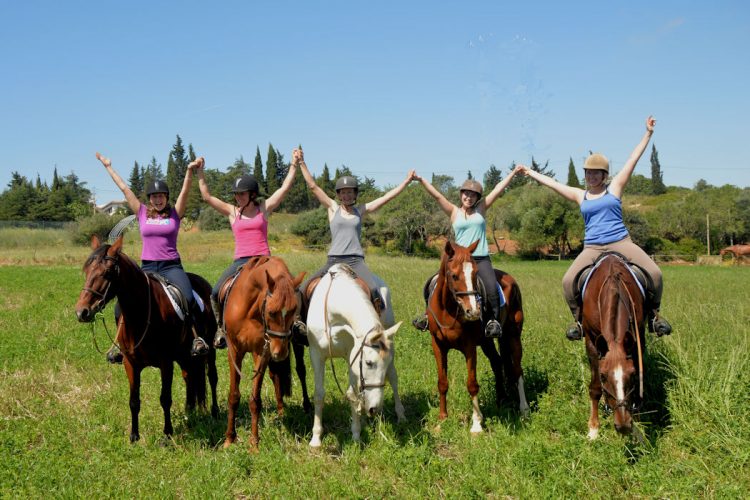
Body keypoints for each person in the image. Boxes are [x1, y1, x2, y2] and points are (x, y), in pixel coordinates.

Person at [519, 116, 672, 340]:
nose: (590, 177)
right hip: (592, 247)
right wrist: (530, 173)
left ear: (604, 175)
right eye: (588, 173)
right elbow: (553, 184)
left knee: (656, 274)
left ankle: (654, 316)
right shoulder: (581, 195)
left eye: (595, 173)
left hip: (620, 242)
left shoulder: (615, 188)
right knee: (568, 281)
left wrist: (648, 133)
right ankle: (579, 322)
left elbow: (632, 159)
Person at [96, 152, 208, 359]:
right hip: (147, 267)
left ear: (166, 198)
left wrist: (188, 171)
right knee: (121, 305)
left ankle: (196, 337)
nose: (158, 199)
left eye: (161, 196)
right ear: (150, 199)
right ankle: (120, 343)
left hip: (171, 266)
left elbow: (185, 191)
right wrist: (108, 166)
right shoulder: (141, 212)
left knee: (189, 298)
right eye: (154, 197)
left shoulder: (175, 213)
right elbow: (124, 188)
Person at [294, 148, 416, 332]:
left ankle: (377, 329)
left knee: (375, 290)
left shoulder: (361, 210)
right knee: (303, 289)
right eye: (343, 193)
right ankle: (301, 327)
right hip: (333, 259)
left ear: (355, 194)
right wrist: (301, 162)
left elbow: (385, 198)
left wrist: (406, 182)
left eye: (350, 192)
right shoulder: (332, 208)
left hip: (355, 261)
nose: (346, 196)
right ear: (338, 194)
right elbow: (313, 186)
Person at [194, 151, 298, 348]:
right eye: (236, 194)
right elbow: (206, 196)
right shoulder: (232, 212)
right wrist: (200, 172)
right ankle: (220, 329)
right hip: (241, 261)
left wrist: (293, 165)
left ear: (252, 195)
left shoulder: (263, 209)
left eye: (241, 194)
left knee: (291, 287)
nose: (238, 197)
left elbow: (284, 188)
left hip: (265, 260)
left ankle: (297, 322)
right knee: (216, 292)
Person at [413, 167, 522, 338]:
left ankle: (492, 321)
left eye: (473, 195)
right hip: (457, 260)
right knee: (433, 284)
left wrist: (513, 174)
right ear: (461, 194)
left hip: (479, 257)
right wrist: (421, 180)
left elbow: (498, 189)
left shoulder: (481, 210)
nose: (468, 198)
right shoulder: (453, 212)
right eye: (466, 194)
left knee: (491, 287)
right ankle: (428, 316)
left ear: (477, 198)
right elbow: (437, 196)